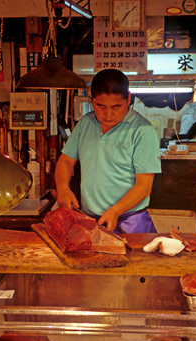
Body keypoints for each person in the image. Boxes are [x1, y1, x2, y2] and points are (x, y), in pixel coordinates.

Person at [55, 69, 162, 233]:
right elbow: (66, 160)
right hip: (90, 218)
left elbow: (144, 186)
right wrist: (63, 188)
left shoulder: (143, 131)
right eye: (100, 106)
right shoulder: (86, 123)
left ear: (128, 99)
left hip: (130, 222)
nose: (108, 114)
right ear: (92, 101)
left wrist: (116, 211)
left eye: (116, 107)